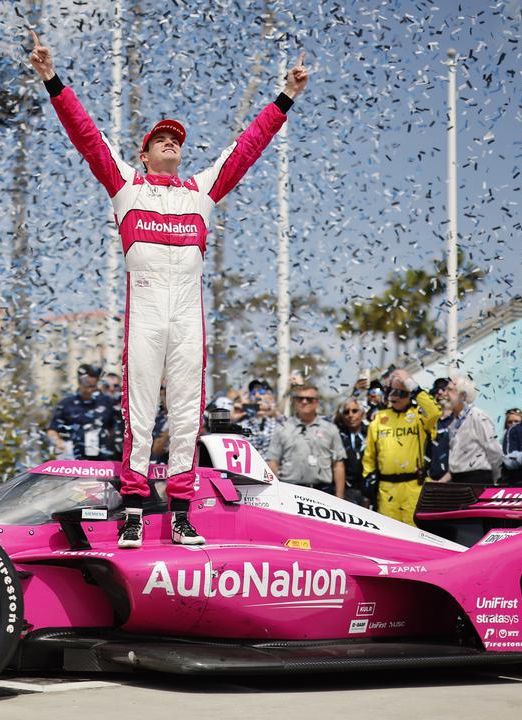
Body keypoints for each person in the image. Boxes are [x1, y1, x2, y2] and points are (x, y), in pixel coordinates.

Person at [29, 31, 309, 548]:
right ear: (145, 150)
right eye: (162, 138)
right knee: (138, 412)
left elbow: (247, 148)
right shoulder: (125, 185)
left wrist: (286, 95)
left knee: (186, 414)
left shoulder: (203, 190)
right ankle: (134, 509)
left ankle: (181, 513)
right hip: (147, 312)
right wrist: (52, 79)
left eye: (177, 140)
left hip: (186, 315)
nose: (171, 143)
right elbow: (87, 135)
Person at [361, 369, 440, 525]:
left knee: (416, 535)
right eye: (392, 392)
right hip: (387, 490)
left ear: (410, 394)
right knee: (391, 536)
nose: (395, 397)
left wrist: (411, 384)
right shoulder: (379, 419)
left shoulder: (419, 415)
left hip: (414, 487)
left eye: (401, 392)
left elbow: (434, 412)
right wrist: (367, 478)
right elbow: (369, 455)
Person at [266, 384, 346, 498]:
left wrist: (340, 497)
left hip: (323, 492)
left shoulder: (330, 429)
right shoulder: (283, 428)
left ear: (317, 402)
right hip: (289, 491)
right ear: (294, 401)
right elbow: (273, 462)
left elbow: (338, 464)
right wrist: (273, 493)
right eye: (300, 399)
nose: (304, 402)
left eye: (309, 399)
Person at [46, 365, 119, 461]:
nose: (90, 390)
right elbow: (52, 430)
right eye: (87, 386)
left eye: (93, 386)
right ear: (79, 383)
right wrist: (62, 445)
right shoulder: (66, 403)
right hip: (74, 459)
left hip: (102, 460)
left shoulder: (107, 402)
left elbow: (113, 428)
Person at [445, 375, 503, 484]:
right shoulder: (453, 423)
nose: (445, 394)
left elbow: (494, 451)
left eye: (450, 390)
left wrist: (496, 478)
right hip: (458, 479)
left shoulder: (478, 416)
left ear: (462, 395)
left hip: (477, 478)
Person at [333, 398, 368, 506]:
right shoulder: (338, 434)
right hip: (347, 490)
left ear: (362, 414)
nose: (350, 415)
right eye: (346, 412)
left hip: (369, 490)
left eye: (354, 411)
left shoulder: (371, 431)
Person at [241, 382, 281, 458]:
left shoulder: (277, 423)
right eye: (253, 393)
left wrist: (273, 412)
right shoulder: (244, 423)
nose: (257, 395)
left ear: (271, 398)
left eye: (261, 392)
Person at [425, 378, 454, 482]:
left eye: (443, 389)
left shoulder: (460, 419)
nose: (440, 392)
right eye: (436, 390)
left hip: (456, 480)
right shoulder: (429, 421)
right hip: (432, 481)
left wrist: (445, 479)